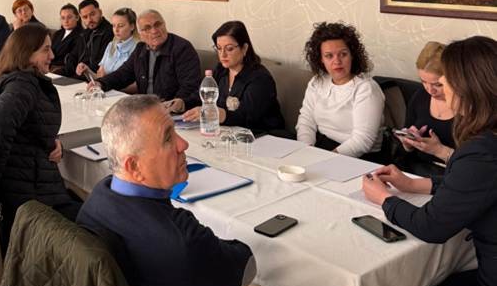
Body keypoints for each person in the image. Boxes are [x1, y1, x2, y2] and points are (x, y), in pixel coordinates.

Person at [77, 95, 256, 286]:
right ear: (134, 166)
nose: (183, 144)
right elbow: (246, 268)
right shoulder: (183, 242)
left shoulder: (98, 196)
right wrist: (207, 245)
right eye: (168, 138)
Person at [362, 35, 497, 286]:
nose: (440, 90)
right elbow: (474, 185)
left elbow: (430, 226)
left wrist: (384, 199)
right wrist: (413, 184)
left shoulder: (481, 151)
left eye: (444, 82)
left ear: (466, 88)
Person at [0, 25, 81, 248]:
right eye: (45, 49)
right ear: (26, 53)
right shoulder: (22, 86)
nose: (52, 55)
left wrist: (51, 141)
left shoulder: (10, 80)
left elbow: (22, 128)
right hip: (29, 199)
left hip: (26, 184)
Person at [296, 21, 385, 161]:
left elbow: (363, 141)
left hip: (360, 157)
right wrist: (306, 150)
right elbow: (306, 121)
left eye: (343, 54)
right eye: (329, 56)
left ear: (352, 55)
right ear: (321, 59)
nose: (337, 61)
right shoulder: (317, 82)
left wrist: (325, 160)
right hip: (322, 146)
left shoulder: (366, 88)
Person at [182, 21, 285, 135]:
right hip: (230, 134)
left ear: (244, 48)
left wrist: (218, 114)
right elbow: (202, 96)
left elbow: (248, 117)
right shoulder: (221, 70)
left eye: (229, 49)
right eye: (219, 48)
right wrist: (182, 103)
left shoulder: (260, 78)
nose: (222, 55)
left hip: (264, 137)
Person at [93, 9, 201, 113]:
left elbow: (190, 87)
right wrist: (101, 83)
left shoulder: (182, 49)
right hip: (145, 108)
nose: (154, 31)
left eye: (158, 24)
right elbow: (123, 74)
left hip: (171, 112)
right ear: (140, 34)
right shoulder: (141, 49)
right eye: (147, 28)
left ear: (164, 24)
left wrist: (176, 104)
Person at [395, 42, 455, 177]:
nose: (430, 90)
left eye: (438, 85)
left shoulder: (468, 108)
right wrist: (408, 144)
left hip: (453, 176)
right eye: (423, 82)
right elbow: (402, 155)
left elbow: (477, 164)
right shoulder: (420, 96)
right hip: (416, 171)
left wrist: (439, 150)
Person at [76, 7, 139, 78]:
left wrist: (107, 80)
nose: (116, 30)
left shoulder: (138, 49)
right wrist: (87, 71)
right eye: (114, 26)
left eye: (120, 26)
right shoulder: (111, 45)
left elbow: (136, 82)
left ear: (132, 26)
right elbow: (99, 78)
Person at [68, 0, 113, 76]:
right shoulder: (84, 33)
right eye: (85, 17)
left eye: (92, 14)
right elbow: (73, 55)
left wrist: (82, 71)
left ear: (100, 12)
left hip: (92, 75)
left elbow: (101, 63)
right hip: (77, 73)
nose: (89, 20)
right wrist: (71, 69)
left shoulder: (109, 32)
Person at [50, 3, 83, 74]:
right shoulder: (58, 33)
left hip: (63, 69)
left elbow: (72, 59)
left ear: (77, 17)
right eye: (63, 18)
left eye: (69, 17)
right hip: (49, 65)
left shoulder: (81, 35)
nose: (66, 21)